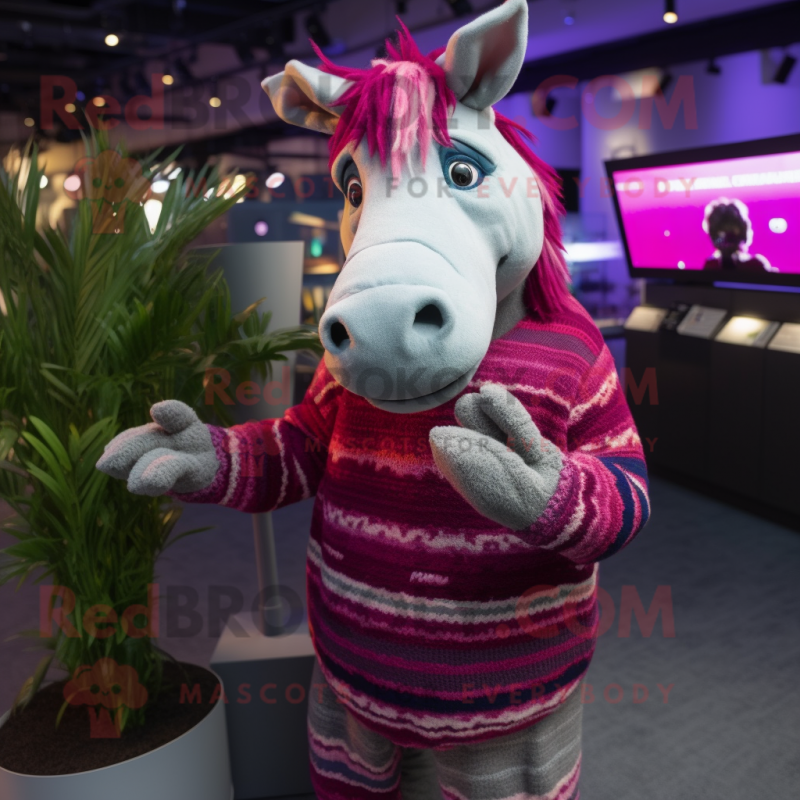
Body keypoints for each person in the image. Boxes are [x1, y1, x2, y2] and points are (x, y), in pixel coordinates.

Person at [701, 197, 775, 272]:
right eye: (722, 230)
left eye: (732, 229)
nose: (727, 236)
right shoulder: (711, 265)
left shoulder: (755, 265)